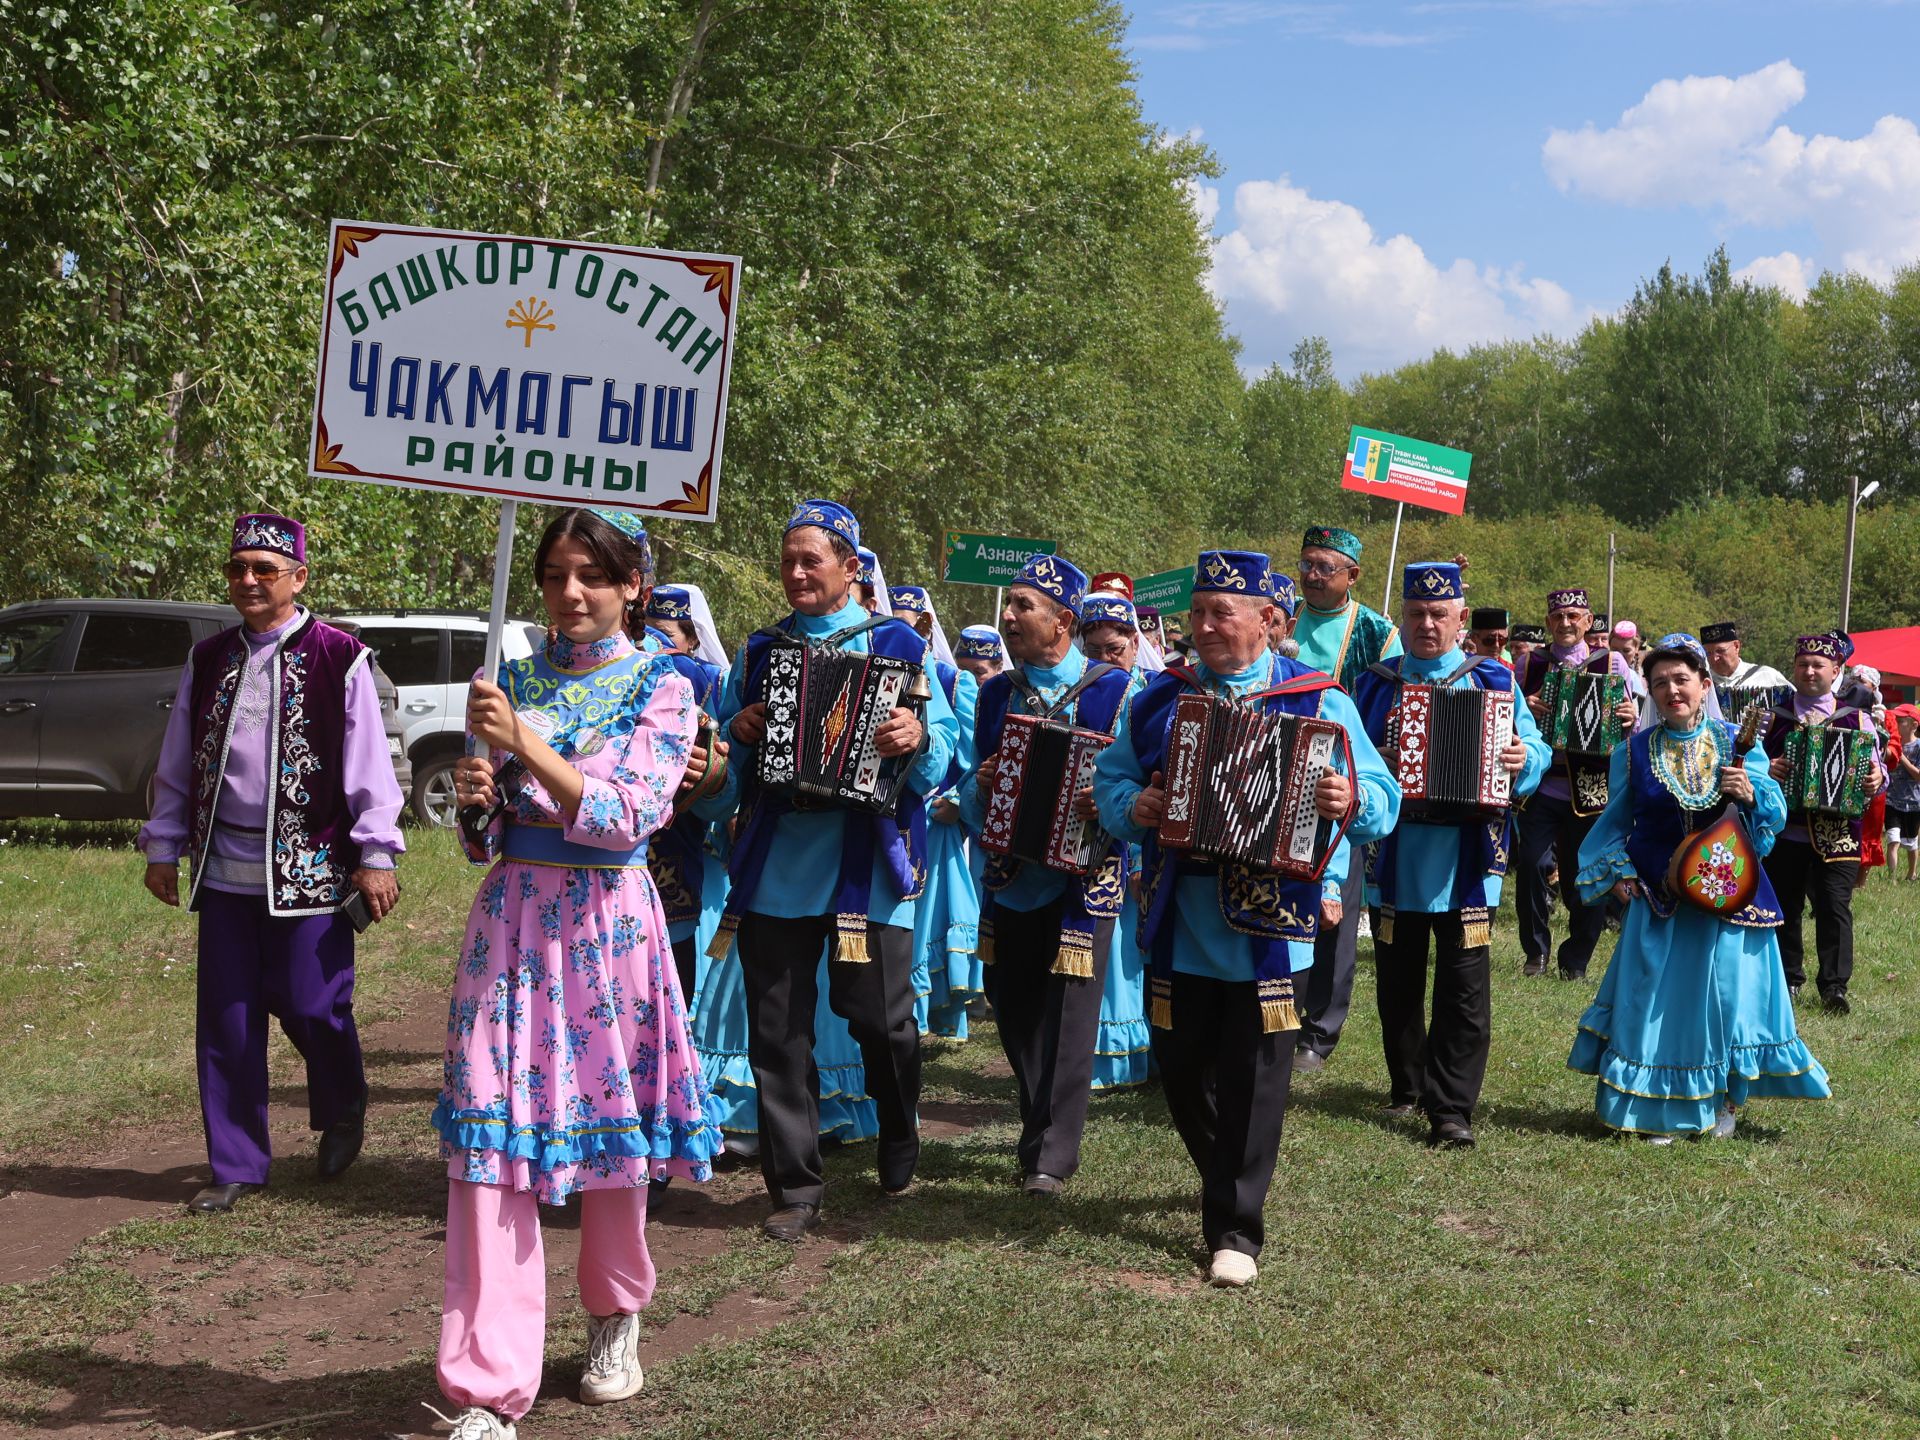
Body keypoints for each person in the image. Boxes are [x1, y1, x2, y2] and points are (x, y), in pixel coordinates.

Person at [431, 508, 715, 1438]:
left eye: (592, 575)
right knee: (492, 1140)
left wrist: (524, 747)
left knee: (607, 1135)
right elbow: (482, 841)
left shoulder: (664, 688)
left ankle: (614, 1311)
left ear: (633, 584)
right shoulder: (506, 681)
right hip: (511, 923)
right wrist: (477, 799)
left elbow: (630, 814)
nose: (571, 593)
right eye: (555, 575)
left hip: (608, 929)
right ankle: (484, 1385)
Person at [1093, 550, 1397, 1286]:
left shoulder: (1320, 700)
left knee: (1257, 1079)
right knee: (1180, 1069)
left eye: (1218, 613)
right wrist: (1132, 807)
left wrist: (1345, 802)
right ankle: (1225, 1176)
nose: (1202, 627)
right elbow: (1112, 780)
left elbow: (1382, 799)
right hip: (1178, 919)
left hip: (1272, 930)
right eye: (1195, 613)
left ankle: (1236, 1227)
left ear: (1268, 621)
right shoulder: (1161, 697)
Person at [138, 512, 403, 1215]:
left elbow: (369, 764)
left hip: (312, 868)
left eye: (264, 569)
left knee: (314, 1005)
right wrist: (164, 843)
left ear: (299, 577)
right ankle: (237, 1162)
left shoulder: (339, 656)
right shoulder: (208, 658)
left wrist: (376, 853)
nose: (248, 581)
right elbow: (176, 763)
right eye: (237, 569)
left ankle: (343, 1104)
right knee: (227, 1016)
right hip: (223, 867)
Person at [706, 500, 957, 1240]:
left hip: (865, 865)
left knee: (880, 1019)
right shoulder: (759, 652)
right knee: (777, 1034)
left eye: (810, 559)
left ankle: (898, 1121)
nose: (795, 573)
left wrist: (914, 733)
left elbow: (943, 756)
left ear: (852, 568)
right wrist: (737, 732)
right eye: (787, 559)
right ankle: (795, 1188)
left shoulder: (901, 647)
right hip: (778, 860)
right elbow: (719, 771)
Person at [1567, 633, 1830, 1141]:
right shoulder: (1633, 752)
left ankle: (1725, 1101)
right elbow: (1612, 826)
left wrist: (1750, 794)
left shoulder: (1736, 743)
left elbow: (1767, 825)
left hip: (1730, 897)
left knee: (1726, 1003)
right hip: (1662, 898)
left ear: (1704, 684)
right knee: (1660, 1005)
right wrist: (1619, 873)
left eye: (1681, 680)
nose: (1672, 690)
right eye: (1660, 682)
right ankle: (1656, 1106)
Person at [1351, 564, 1548, 1149]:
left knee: (1464, 987)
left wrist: (1522, 757)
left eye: (1440, 614)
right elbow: (1343, 750)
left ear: (1462, 620)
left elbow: (1533, 742)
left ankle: (1453, 1108)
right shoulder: (1374, 683)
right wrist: (1377, 758)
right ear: (1402, 619)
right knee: (1398, 981)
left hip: (1468, 859)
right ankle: (1406, 1087)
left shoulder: (1492, 678)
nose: (1428, 624)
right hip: (1395, 856)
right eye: (1417, 614)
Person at [958, 554, 1132, 1195]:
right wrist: (980, 789)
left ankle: (1050, 1156)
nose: (1007, 617)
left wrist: (1107, 804)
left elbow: (1138, 784)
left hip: (1086, 880)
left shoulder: (1116, 690)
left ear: (1063, 620)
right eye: (1009, 605)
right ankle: (1041, 1122)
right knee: (1012, 1003)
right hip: (1011, 872)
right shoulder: (994, 694)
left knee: (1069, 1016)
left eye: (1022, 606)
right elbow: (976, 782)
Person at [1290, 525, 1402, 1072]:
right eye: (1306, 564)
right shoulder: (1278, 615)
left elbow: (1397, 704)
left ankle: (1321, 1028)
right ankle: (1277, 1005)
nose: (1311, 576)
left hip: (1341, 778)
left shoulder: (1377, 633)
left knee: (1338, 902)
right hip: (1272, 770)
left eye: (1324, 567)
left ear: (1353, 575)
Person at [1512, 587, 1642, 980]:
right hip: (1541, 785)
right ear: (1548, 621)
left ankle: (1576, 960)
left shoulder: (1612, 662)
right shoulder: (1527, 663)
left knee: (1586, 875)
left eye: (1574, 617)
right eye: (1558, 617)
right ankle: (1535, 954)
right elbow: (1509, 717)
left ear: (1588, 622)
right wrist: (1526, 708)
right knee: (1532, 866)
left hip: (1593, 786)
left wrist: (1628, 715)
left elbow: (1630, 721)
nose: (1566, 623)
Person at [1761, 634, 1885, 1013]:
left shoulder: (1856, 718)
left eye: (1818, 665)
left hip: (1840, 833)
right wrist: (1767, 768)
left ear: (1835, 671)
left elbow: (1879, 769)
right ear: (1794, 668)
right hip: (1784, 831)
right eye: (1803, 664)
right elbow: (1745, 764)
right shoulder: (1774, 717)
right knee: (1785, 905)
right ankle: (1787, 977)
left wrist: (1876, 778)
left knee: (1834, 906)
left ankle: (1834, 987)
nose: (1810, 671)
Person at [890, 584, 984, 1040]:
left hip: (937, 823)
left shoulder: (950, 681)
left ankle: (928, 1014)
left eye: (913, 625)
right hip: (896, 819)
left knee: (928, 919)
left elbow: (969, 756)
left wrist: (960, 803)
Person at [1078, 592, 1155, 1090]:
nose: (1105, 659)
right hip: (1093, 839)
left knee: (1132, 951)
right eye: (1094, 650)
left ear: (1133, 642)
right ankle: (1096, 1056)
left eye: (1113, 649)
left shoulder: (1150, 697)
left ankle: (1132, 1053)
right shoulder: (1088, 694)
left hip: (1138, 844)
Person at [1701, 621, 1788, 697]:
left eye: (1720, 651)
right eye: (1708, 653)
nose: (1714, 658)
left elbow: (1797, 704)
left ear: (1736, 646)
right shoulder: (1700, 683)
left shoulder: (1767, 676)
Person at [1883, 705, 1920, 883]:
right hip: (1891, 800)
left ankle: (1912, 873)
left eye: (1901, 721)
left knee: (1912, 842)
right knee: (1893, 839)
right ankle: (1892, 878)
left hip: (1913, 801)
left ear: (1914, 725)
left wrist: (1901, 757)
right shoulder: (1891, 744)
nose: (1896, 724)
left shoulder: (1918, 747)